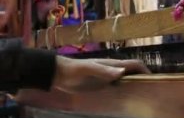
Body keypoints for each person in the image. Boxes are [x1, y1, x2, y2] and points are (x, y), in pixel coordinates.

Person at [0, 38, 150, 94]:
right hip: (10, 71)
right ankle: (120, 69)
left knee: (66, 71)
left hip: (12, 62)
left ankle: (115, 70)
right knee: (69, 83)